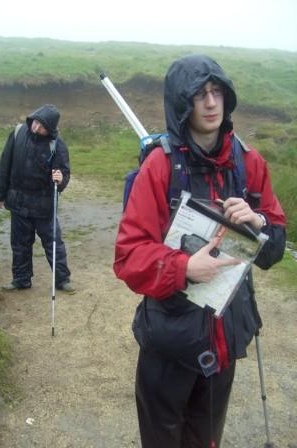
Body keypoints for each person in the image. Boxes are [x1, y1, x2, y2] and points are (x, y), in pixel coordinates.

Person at [113, 55, 286, 447]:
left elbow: (274, 250)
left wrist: (258, 224)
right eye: (198, 95)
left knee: (206, 441)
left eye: (217, 92)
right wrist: (184, 266)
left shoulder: (249, 163)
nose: (210, 103)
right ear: (181, 103)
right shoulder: (160, 167)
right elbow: (128, 257)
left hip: (223, 341)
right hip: (169, 342)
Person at [0, 104, 75, 293]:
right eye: (36, 122)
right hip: (18, 201)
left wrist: (61, 180)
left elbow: (64, 173)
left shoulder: (57, 145)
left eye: (42, 126)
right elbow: (4, 164)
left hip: (43, 204)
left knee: (53, 243)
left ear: (51, 128)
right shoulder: (17, 133)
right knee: (20, 243)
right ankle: (21, 279)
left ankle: (62, 280)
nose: (36, 128)